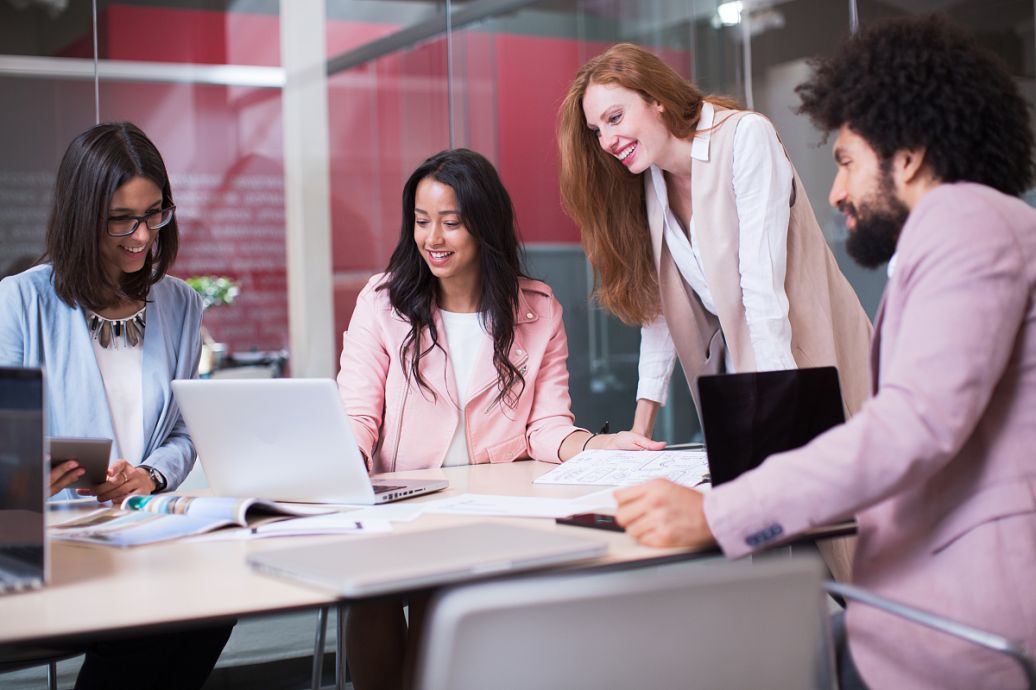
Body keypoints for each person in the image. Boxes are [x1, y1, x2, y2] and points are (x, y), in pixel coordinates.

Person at [614, 15, 1036, 690]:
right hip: (914, 613)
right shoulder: (976, 231)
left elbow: (913, 426)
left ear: (910, 158)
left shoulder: (967, 224)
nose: (835, 193)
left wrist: (719, 513)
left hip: (963, 635)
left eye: (845, 162)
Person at [337, 147, 661, 689]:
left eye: (450, 223)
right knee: (376, 592)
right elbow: (357, 414)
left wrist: (597, 446)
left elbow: (547, 427)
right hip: (403, 500)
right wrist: (341, 464)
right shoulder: (382, 302)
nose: (431, 239)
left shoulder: (538, 309)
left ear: (484, 225)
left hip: (492, 504)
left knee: (442, 596)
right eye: (420, 222)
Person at [0, 122, 232, 690]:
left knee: (219, 601)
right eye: (121, 219)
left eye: (155, 214)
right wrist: (31, 475)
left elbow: (182, 431)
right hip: (46, 536)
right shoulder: (19, 301)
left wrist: (149, 475)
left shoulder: (179, 305)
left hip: (142, 530)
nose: (142, 236)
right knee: (150, 624)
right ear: (82, 215)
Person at [557, 43, 873, 437]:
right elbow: (661, 312)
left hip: (810, 360)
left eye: (615, 118)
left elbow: (762, 290)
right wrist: (640, 430)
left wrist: (779, 405)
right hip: (756, 380)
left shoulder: (744, 137)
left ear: (656, 99)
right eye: (597, 130)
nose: (606, 141)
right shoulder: (651, 181)